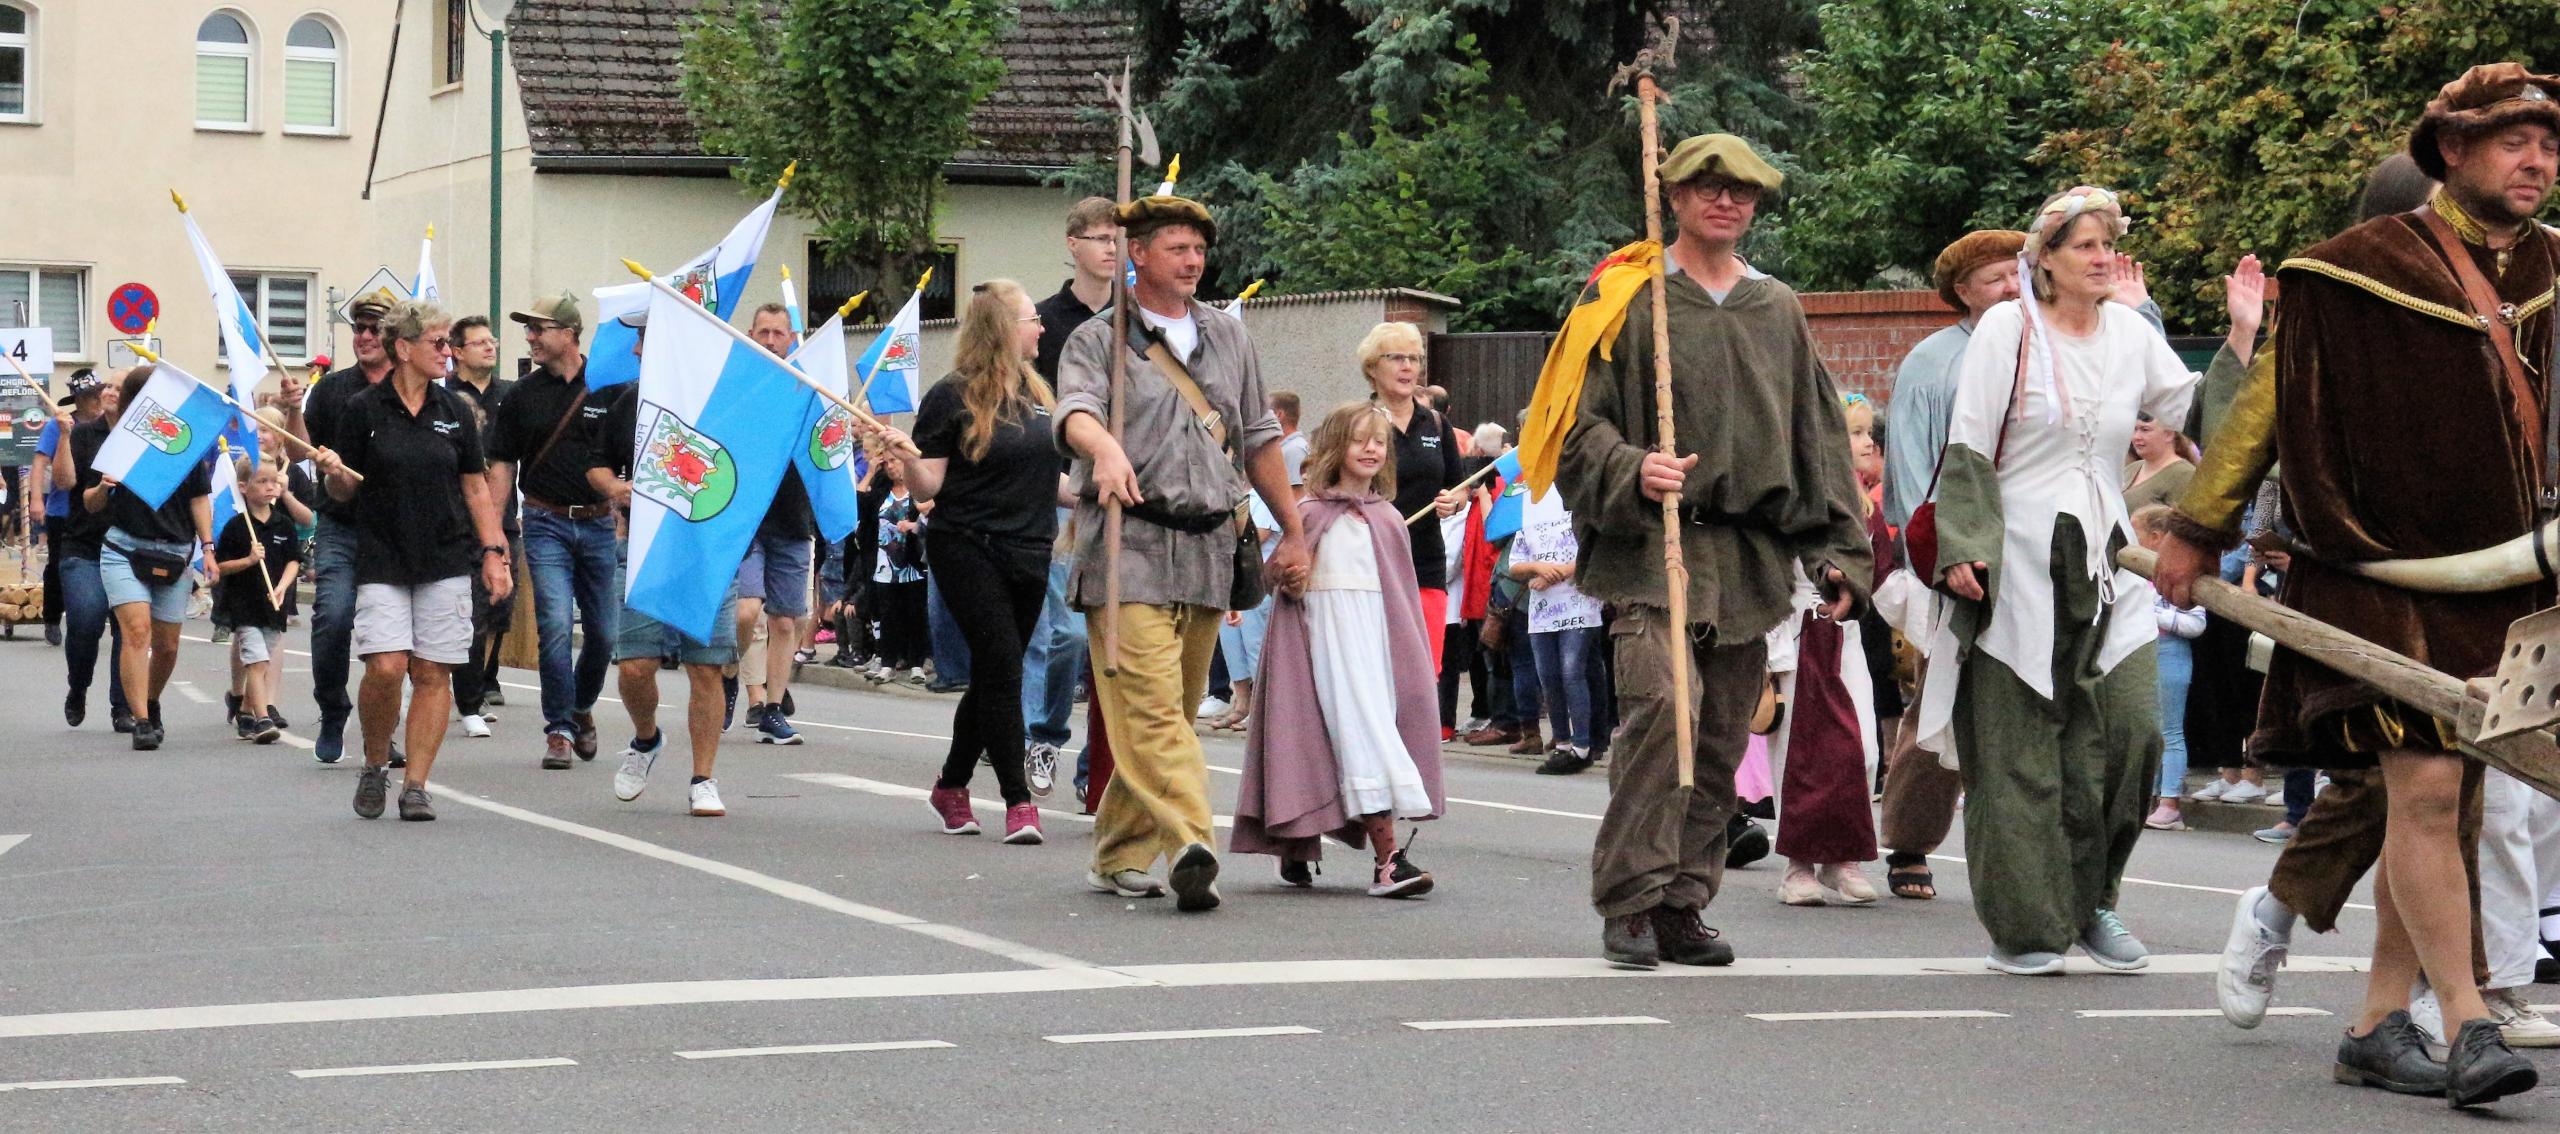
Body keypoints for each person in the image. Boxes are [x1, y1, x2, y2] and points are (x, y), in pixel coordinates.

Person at [2168, 65, 2556, 1106]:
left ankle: (2379, 1023)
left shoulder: (2552, 270)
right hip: (2372, 569)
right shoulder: (2348, 269)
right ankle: (2468, 1019)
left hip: (2507, 581)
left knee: (2447, 801)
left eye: (2548, 146)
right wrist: (2197, 530)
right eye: (2514, 142)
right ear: (2451, 153)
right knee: (2427, 789)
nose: (2537, 162)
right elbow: (2260, 411)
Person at [1549, 134, 1870, 968]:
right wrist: (1632, 466)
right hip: (1652, 547)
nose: (1724, 202)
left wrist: (1840, 552)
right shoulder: (1626, 299)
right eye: (1706, 187)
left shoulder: (1778, 307)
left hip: (1750, 555)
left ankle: (1683, 902)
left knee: (1724, 738)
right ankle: (1630, 897)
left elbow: (1819, 438)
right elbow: (1570, 427)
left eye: (1741, 192)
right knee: (1665, 714)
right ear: (1675, 196)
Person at [1914, 185, 2205, 975]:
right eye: (2086, 245)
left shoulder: (2131, 335)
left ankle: (2092, 901)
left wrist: (2246, 339)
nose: (2104, 257)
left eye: (2109, 243)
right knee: (2018, 753)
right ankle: (2029, 928)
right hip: (2015, 558)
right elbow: (1970, 445)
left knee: (2132, 733)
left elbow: (2195, 411)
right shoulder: (2009, 327)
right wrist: (1965, 546)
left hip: (2109, 559)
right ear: (2043, 259)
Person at [1055, 192, 1306, 912]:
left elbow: (1258, 437)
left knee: (1173, 705)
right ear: (1139, 255)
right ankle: (1195, 843)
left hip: (1209, 548)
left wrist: (1292, 529)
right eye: (1177, 248)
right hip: (1126, 545)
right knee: (1156, 710)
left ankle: (1117, 850)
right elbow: (1074, 410)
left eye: (1199, 249)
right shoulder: (1098, 340)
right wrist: (1102, 447)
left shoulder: (1228, 337)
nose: (1193, 261)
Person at [868, 280, 1064, 845]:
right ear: (1003, 328)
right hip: (966, 544)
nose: (1041, 328)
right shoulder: (950, 396)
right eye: (1031, 318)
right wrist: (906, 456)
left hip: (1031, 549)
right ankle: (1018, 802)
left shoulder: (1037, 394)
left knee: (993, 675)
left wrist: (1104, 487)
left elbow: (1045, 476)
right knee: (1002, 665)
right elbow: (931, 485)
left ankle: (951, 784)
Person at [1234, 401, 1444, 896]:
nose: (1371, 448)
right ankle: (1384, 861)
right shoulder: (1305, 514)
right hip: (1322, 645)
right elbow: (1275, 578)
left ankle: (1330, 849)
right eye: (1359, 439)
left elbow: (1401, 597)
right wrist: (1288, 575)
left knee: (1369, 733)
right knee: (1331, 736)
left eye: (1378, 440)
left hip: (1374, 646)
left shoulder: (1389, 519)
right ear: (1334, 447)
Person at [316, 298, 512, 822]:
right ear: (403, 348)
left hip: (446, 557)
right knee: (386, 667)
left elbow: (476, 488)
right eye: (438, 342)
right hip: (381, 555)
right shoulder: (362, 409)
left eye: (449, 342)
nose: (448, 352)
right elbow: (341, 493)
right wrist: (334, 470)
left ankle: (416, 785)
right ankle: (375, 762)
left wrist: (494, 554)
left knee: (432, 671)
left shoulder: (455, 413)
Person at [589, 312, 737, 817]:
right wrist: (613, 487)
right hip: (644, 550)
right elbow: (597, 464)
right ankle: (647, 739)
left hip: (707, 551)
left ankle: (703, 778)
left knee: (706, 667)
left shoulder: (725, 400)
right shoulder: (629, 401)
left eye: (644, 340)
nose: (634, 350)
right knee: (635, 666)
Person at [491, 291, 616, 770]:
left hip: (599, 523)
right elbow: (503, 465)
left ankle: (581, 707)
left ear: (569, 334)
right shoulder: (522, 395)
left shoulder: (608, 386)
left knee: (604, 634)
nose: (530, 337)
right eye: (529, 329)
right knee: (556, 626)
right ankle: (559, 728)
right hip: (545, 523)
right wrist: (499, 530)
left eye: (539, 328)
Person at [283, 288, 396, 763]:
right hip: (342, 527)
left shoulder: (414, 391)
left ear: (394, 336)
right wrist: (293, 407)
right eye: (358, 328)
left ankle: (380, 730)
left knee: (389, 642)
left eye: (374, 329)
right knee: (331, 619)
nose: (364, 337)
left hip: (394, 532)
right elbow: (298, 453)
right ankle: (333, 710)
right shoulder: (333, 389)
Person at [83, 365, 216, 751]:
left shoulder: (183, 443)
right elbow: (90, 504)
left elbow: (199, 499)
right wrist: (103, 488)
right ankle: (140, 719)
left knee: (169, 645)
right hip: (124, 548)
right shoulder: (120, 443)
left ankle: (152, 700)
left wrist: (208, 548)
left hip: (175, 553)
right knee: (137, 631)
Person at [1359, 322, 1464, 670]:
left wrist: (1455, 500)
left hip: (1427, 563)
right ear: (1373, 367)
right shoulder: (1358, 424)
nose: (1408, 366)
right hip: (1372, 562)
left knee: (1424, 672)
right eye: (1396, 358)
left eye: (1414, 358)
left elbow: (1458, 486)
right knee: (1378, 671)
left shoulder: (1436, 423)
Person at [731, 304, 813, 743]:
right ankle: (729, 672)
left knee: (786, 622)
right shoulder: (738, 388)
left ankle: (774, 709)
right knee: (747, 610)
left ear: (791, 339)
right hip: (747, 518)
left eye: (778, 333)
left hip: (792, 517)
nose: (769, 340)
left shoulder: (808, 389)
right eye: (762, 332)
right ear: (750, 335)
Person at [446, 314, 518, 739]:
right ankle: (467, 694)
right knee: (469, 608)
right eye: (478, 343)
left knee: (498, 608)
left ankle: (483, 678)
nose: (489, 348)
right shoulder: (445, 396)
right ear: (457, 351)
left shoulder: (510, 395)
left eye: (492, 342)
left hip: (505, 516)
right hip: (460, 515)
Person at [50, 369, 129, 730]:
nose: (107, 393)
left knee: (129, 629)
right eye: (105, 388)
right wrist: (65, 437)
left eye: (115, 388)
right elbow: (65, 482)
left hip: (132, 546)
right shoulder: (83, 434)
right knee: (85, 621)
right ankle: (78, 686)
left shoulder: (142, 438)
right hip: (84, 546)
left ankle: (122, 706)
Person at [1508, 478, 1602, 775]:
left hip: (1579, 603)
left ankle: (1582, 744)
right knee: (1547, 675)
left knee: (1572, 670)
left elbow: (1591, 551)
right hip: (1543, 608)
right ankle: (1561, 741)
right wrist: (1538, 568)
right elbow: (1515, 564)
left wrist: (1558, 572)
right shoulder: (1528, 512)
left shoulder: (1579, 507)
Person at [213, 457, 301, 745]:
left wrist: (283, 587)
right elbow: (221, 566)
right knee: (256, 659)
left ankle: (247, 712)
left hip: (273, 607)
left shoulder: (283, 524)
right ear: (243, 487)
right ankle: (264, 719)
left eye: (274, 481)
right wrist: (249, 560)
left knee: (261, 660)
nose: (270, 487)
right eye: (262, 482)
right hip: (245, 606)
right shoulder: (237, 527)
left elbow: (293, 561)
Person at [2129, 505, 2206, 831]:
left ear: (2157, 538)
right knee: (2151, 730)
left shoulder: (2187, 576)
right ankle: (2153, 794)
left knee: (2171, 731)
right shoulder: (2138, 576)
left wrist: (2153, 613)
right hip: (2145, 652)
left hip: (2171, 654)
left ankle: (2170, 802)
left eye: (2137, 535)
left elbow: (2196, 623)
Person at [34, 366, 103, 646]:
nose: (97, 400)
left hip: (95, 508)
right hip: (63, 509)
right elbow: (40, 461)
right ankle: (52, 618)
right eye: (91, 396)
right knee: (57, 565)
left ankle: (94, 613)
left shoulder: (105, 425)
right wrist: (37, 499)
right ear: (79, 399)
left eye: (98, 393)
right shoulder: (60, 424)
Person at [2120, 413, 2195, 512]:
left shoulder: (2184, 474)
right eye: (2134, 430)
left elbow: (2183, 523)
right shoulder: (2131, 468)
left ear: (2168, 434)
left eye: (2145, 430)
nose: (2136, 437)